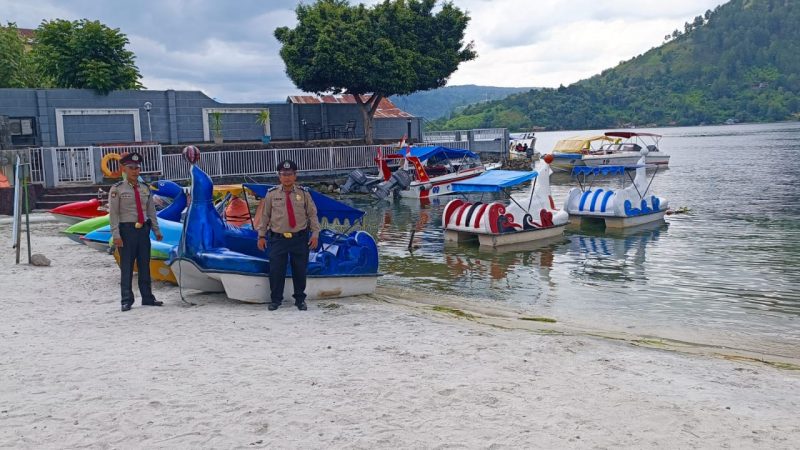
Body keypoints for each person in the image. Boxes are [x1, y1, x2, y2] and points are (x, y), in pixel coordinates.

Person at [257, 160, 320, 311]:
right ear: (279, 176)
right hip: (277, 239)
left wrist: (315, 234)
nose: (287, 177)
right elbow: (265, 216)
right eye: (284, 174)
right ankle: (275, 300)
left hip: (299, 238)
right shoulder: (271, 194)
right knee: (276, 270)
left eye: (290, 174)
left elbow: (312, 215)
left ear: (295, 175)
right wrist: (261, 236)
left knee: (300, 270)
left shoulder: (304, 194)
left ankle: (300, 300)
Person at [108, 152, 163, 312]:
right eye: (131, 168)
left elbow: (151, 211)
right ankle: (126, 300)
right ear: (124, 169)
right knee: (127, 266)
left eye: (137, 168)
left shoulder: (145, 188)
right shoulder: (117, 189)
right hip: (127, 231)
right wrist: (116, 235)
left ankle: (147, 297)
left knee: (145, 265)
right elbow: (114, 214)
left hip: (143, 231)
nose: (135, 171)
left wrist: (156, 230)